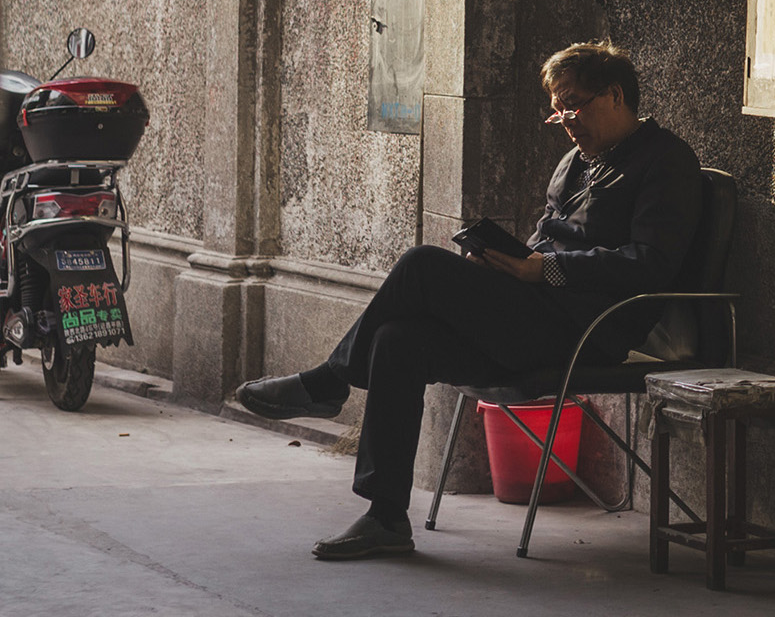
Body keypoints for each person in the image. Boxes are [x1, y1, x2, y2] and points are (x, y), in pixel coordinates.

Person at [237, 41, 703, 559]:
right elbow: (544, 241)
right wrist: (505, 262)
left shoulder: (666, 161)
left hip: (589, 330)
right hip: (534, 314)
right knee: (397, 340)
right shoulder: (575, 162)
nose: (566, 124)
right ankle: (385, 517)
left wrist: (546, 269)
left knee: (421, 265)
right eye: (557, 113)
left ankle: (329, 382)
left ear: (615, 95)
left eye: (573, 106)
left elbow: (649, 263)